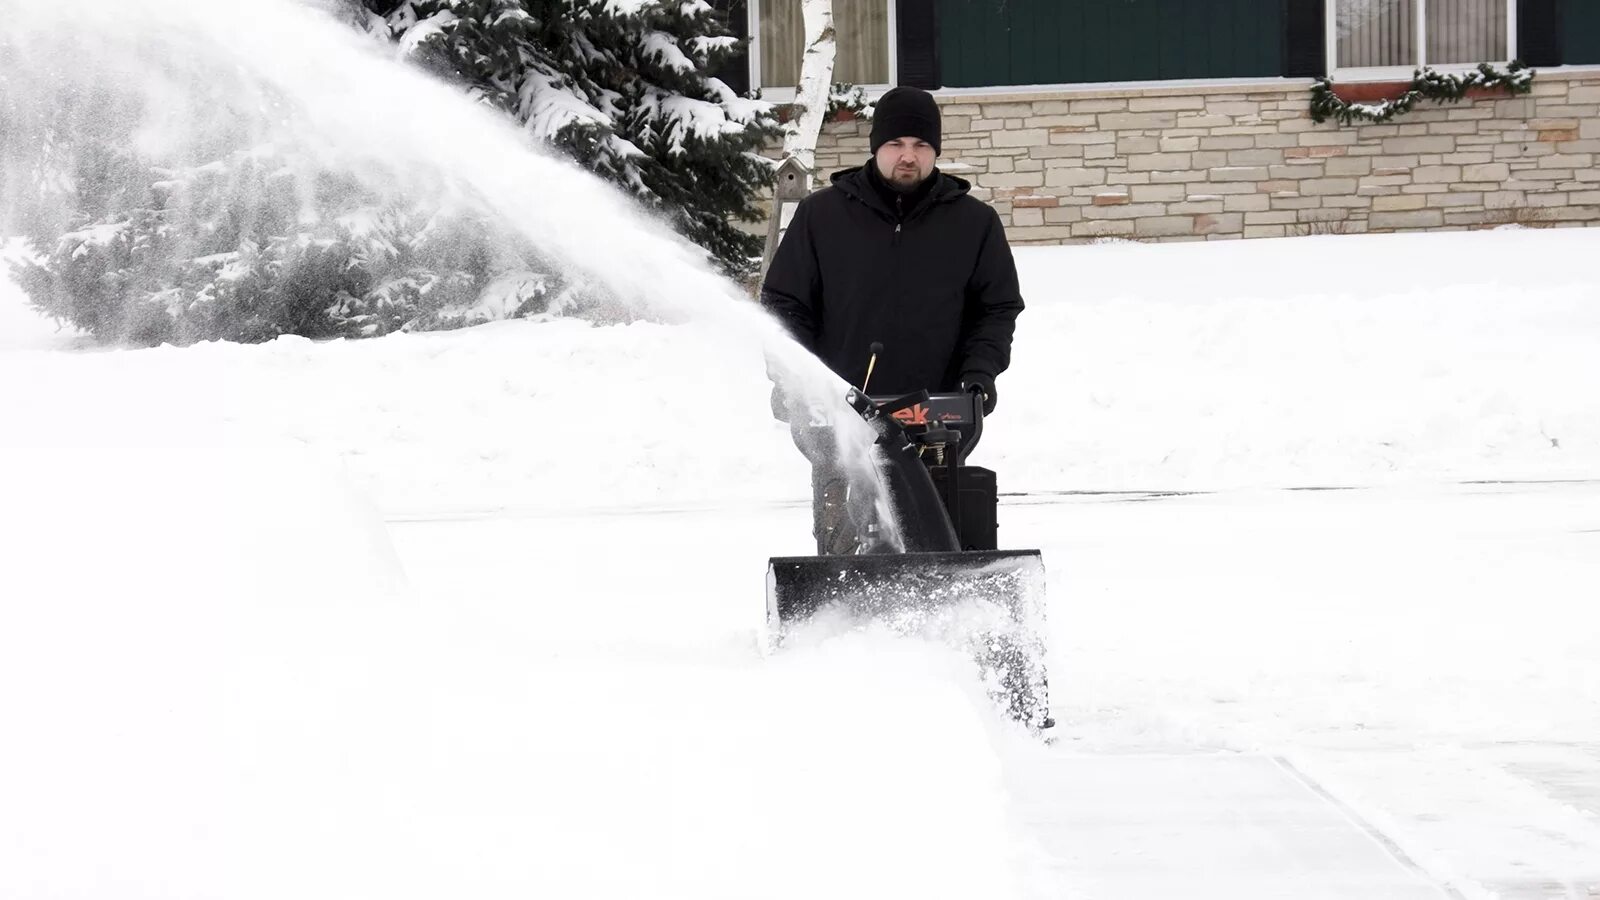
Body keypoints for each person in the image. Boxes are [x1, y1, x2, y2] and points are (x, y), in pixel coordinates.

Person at [759, 85, 1025, 554]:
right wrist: (793, 378)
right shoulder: (822, 216)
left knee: (934, 535)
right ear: (876, 147)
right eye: (896, 144)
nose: (908, 156)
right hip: (840, 410)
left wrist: (978, 376)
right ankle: (839, 616)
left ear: (935, 151)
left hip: (937, 409)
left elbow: (996, 309)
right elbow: (784, 305)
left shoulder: (974, 223)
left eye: (921, 145)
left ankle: (944, 612)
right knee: (846, 542)